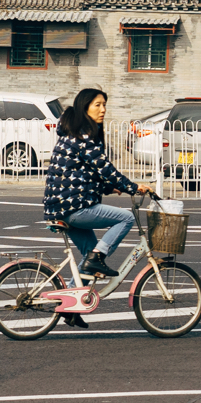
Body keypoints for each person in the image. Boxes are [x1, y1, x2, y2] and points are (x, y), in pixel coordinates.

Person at [44, 87, 149, 282]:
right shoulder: (83, 136)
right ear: (85, 108)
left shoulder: (73, 133)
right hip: (74, 206)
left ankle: (70, 308)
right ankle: (97, 258)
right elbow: (104, 168)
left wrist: (110, 187)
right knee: (125, 219)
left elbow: (85, 174)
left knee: (88, 259)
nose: (103, 110)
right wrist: (133, 187)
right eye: (97, 105)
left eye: (104, 105)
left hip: (62, 205)